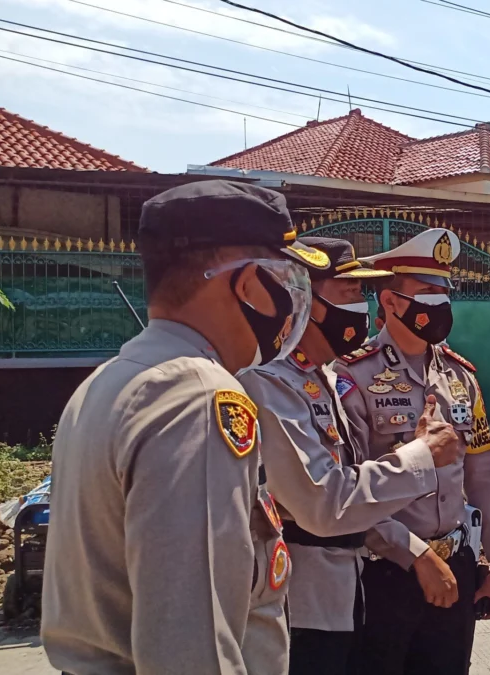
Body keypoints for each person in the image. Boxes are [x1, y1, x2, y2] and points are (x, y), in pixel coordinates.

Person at [41, 180, 331, 675]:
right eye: (284, 280)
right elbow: (192, 650)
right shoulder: (197, 396)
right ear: (247, 284)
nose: (291, 302)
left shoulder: (114, 379)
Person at [237, 237, 464, 675]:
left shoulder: (320, 379)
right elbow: (327, 500)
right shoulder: (271, 384)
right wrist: (420, 456)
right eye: (349, 295)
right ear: (306, 303)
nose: (361, 308)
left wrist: (410, 549)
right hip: (299, 604)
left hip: (345, 595)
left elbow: (355, 487)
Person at [333, 228, 490, 675]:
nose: (439, 302)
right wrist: (415, 554)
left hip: (457, 564)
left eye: (443, 291)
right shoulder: (351, 377)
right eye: (426, 292)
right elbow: (347, 488)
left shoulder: (460, 376)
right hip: (386, 572)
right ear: (390, 301)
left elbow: (482, 473)